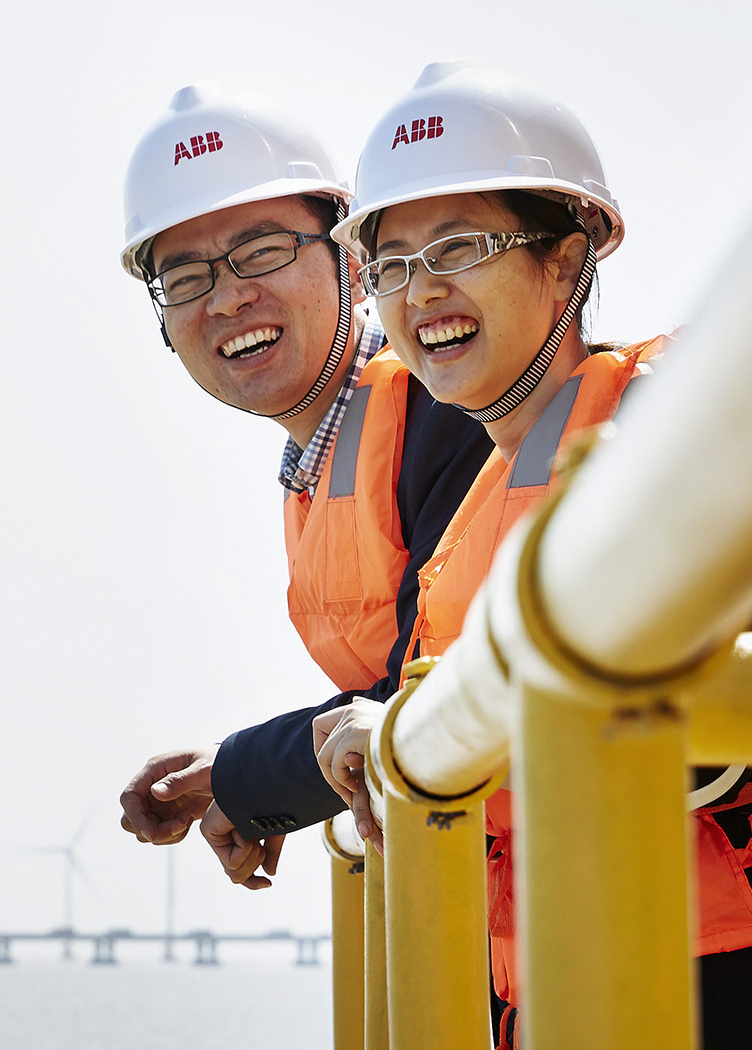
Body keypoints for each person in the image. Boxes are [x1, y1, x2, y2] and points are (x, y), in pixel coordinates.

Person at [308, 61, 752, 1050]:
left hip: (733, 987)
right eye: (393, 264)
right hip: (565, 994)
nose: (422, 293)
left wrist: (413, 751)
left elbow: (692, 749)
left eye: (460, 246)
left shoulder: (658, 425)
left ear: (569, 258)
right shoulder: (472, 520)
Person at [109, 84, 494, 889]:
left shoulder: (454, 411)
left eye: (261, 253)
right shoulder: (324, 460)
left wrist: (245, 775)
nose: (226, 297)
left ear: (351, 257)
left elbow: (445, 696)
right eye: (184, 278)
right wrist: (240, 775)